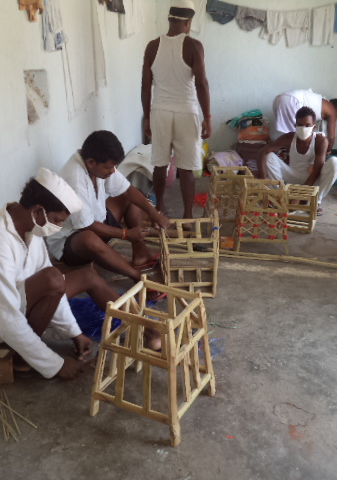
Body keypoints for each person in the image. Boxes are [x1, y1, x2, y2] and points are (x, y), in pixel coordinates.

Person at [0, 168, 120, 380]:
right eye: (57, 220)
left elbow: (54, 286)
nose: (59, 226)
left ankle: (28, 348)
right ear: (38, 211)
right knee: (52, 278)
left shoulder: (29, 227)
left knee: (61, 277)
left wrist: (74, 333)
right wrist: (54, 365)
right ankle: (24, 358)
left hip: (12, 303)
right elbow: (6, 318)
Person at [45, 130, 170, 302]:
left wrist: (154, 213)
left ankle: (140, 254)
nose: (112, 171)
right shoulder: (74, 177)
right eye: (108, 167)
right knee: (89, 238)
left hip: (97, 222)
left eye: (114, 167)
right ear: (91, 162)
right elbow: (86, 225)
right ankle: (137, 276)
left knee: (133, 196)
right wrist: (126, 234)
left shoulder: (99, 165)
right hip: (70, 242)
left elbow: (127, 190)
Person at [141, 0, 211, 219]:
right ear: (188, 23)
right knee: (187, 168)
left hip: (160, 111)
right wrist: (207, 115)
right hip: (186, 112)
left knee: (160, 164)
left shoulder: (152, 46)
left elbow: (145, 84)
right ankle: (188, 217)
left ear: (169, 19)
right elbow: (202, 84)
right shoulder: (193, 45)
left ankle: (159, 210)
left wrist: (147, 116)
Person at [259, 107, 337, 214]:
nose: (303, 128)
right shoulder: (289, 138)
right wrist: (263, 178)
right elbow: (262, 152)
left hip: (312, 178)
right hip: (292, 176)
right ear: (295, 126)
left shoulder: (321, 141)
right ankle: (280, 196)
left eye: (307, 125)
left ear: (314, 127)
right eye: (300, 125)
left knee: (336, 162)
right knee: (269, 156)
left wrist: (300, 196)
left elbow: (317, 170)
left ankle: (316, 201)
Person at [272, 89, 337, 152]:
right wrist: (328, 151)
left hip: (280, 99)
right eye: (336, 117)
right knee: (295, 139)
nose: (334, 119)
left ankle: (276, 152)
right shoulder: (332, 110)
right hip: (293, 101)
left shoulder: (321, 103)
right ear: (336, 111)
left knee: (290, 137)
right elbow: (331, 137)